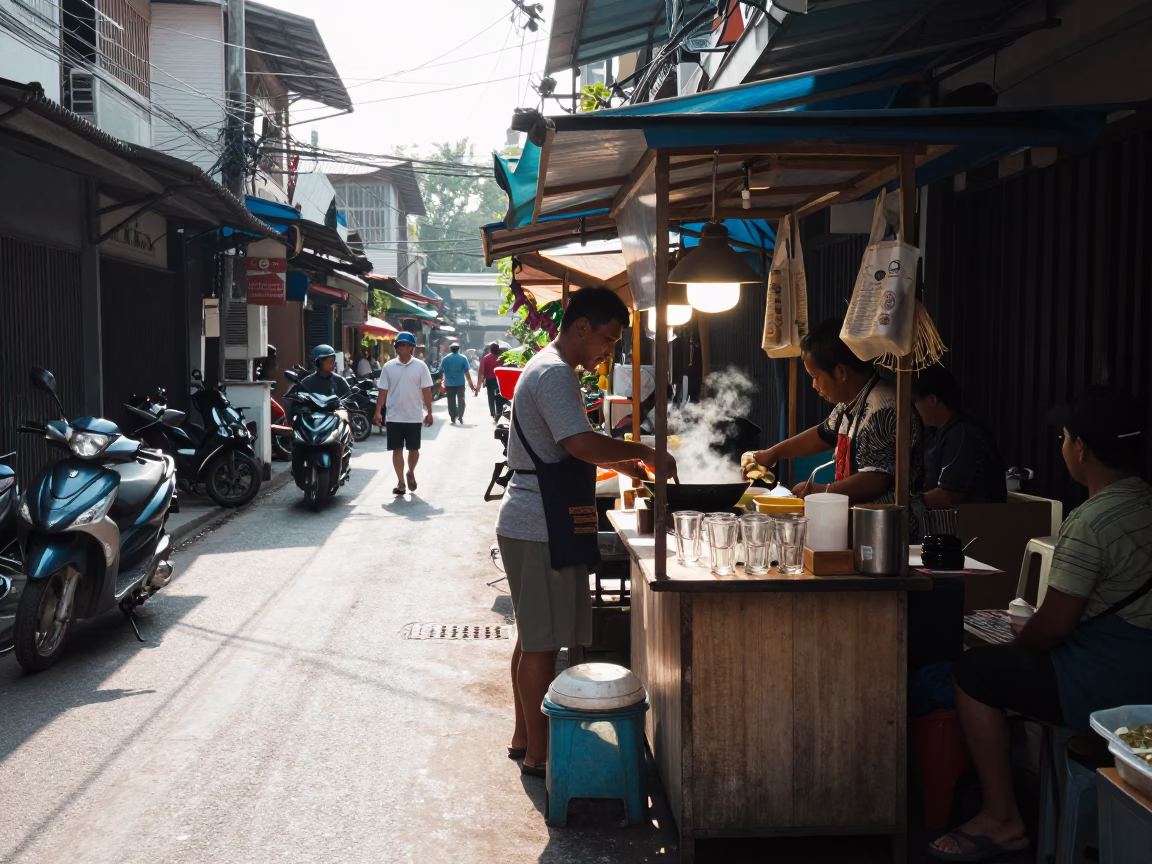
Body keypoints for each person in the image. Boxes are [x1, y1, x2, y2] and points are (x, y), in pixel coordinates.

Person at [929, 389, 1152, 862]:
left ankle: (1002, 816)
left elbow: (1052, 630)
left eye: (1064, 437)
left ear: (1080, 450)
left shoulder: (1091, 521)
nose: (1063, 445)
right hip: (1144, 672)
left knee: (973, 673)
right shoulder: (1144, 504)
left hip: (1108, 683)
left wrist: (1019, 632)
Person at [496, 287, 678, 779]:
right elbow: (577, 443)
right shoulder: (554, 373)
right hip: (537, 524)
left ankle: (524, 737)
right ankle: (540, 755)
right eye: (607, 338)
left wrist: (623, 460)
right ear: (581, 326)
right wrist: (642, 452)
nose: (608, 350)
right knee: (540, 644)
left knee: (532, 638)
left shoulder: (552, 368)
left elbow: (571, 446)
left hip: (535, 519)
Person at [747, 317, 925, 536]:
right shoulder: (850, 403)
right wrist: (773, 453)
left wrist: (822, 491)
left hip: (889, 533)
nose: (814, 385)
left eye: (816, 377)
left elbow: (875, 479)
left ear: (841, 372)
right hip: (859, 528)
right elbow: (823, 434)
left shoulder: (883, 408)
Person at [913, 365, 1007, 507]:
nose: (914, 408)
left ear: (932, 400)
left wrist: (906, 505)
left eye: (915, 402)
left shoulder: (962, 433)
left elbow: (951, 495)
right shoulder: (938, 432)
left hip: (977, 525)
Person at [373, 332, 434, 495]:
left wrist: (429, 411)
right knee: (396, 449)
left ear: (411, 347)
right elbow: (383, 391)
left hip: (414, 415)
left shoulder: (421, 367)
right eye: (399, 345)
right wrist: (378, 411)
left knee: (414, 449)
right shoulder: (388, 367)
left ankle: (410, 472)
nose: (402, 347)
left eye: (405, 345)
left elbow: (426, 390)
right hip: (394, 415)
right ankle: (400, 482)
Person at [293, 344, 351, 416]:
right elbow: (298, 403)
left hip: (336, 420)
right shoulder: (307, 383)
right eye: (330, 360)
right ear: (318, 363)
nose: (333, 363)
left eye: (333, 360)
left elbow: (349, 401)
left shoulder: (340, 381)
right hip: (314, 421)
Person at [439, 343, 475, 425]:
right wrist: (471, 385)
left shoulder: (445, 359)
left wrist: (443, 381)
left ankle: (453, 416)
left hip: (449, 384)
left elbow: (441, 371)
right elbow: (467, 373)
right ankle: (460, 416)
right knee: (461, 400)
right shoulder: (463, 358)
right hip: (460, 384)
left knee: (451, 400)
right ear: (458, 349)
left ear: (450, 349)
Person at [477, 342, 506, 422]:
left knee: (491, 397)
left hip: (489, 380)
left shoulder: (486, 358)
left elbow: (481, 372)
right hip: (499, 379)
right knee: (499, 396)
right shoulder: (502, 358)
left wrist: (478, 385)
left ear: (490, 349)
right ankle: (499, 411)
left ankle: (493, 412)